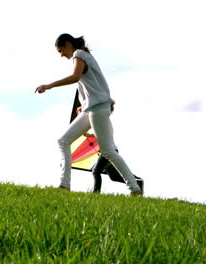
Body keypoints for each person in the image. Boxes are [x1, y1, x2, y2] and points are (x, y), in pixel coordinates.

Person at [35, 33, 142, 196]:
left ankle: (134, 188)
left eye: (61, 50)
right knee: (63, 140)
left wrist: (49, 85)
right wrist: (83, 105)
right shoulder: (85, 56)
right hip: (92, 108)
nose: (62, 55)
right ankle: (64, 185)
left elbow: (75, 77)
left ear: (68, 44)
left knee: (108, 151)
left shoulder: (79, 54)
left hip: (97, 108)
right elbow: (92, 84)